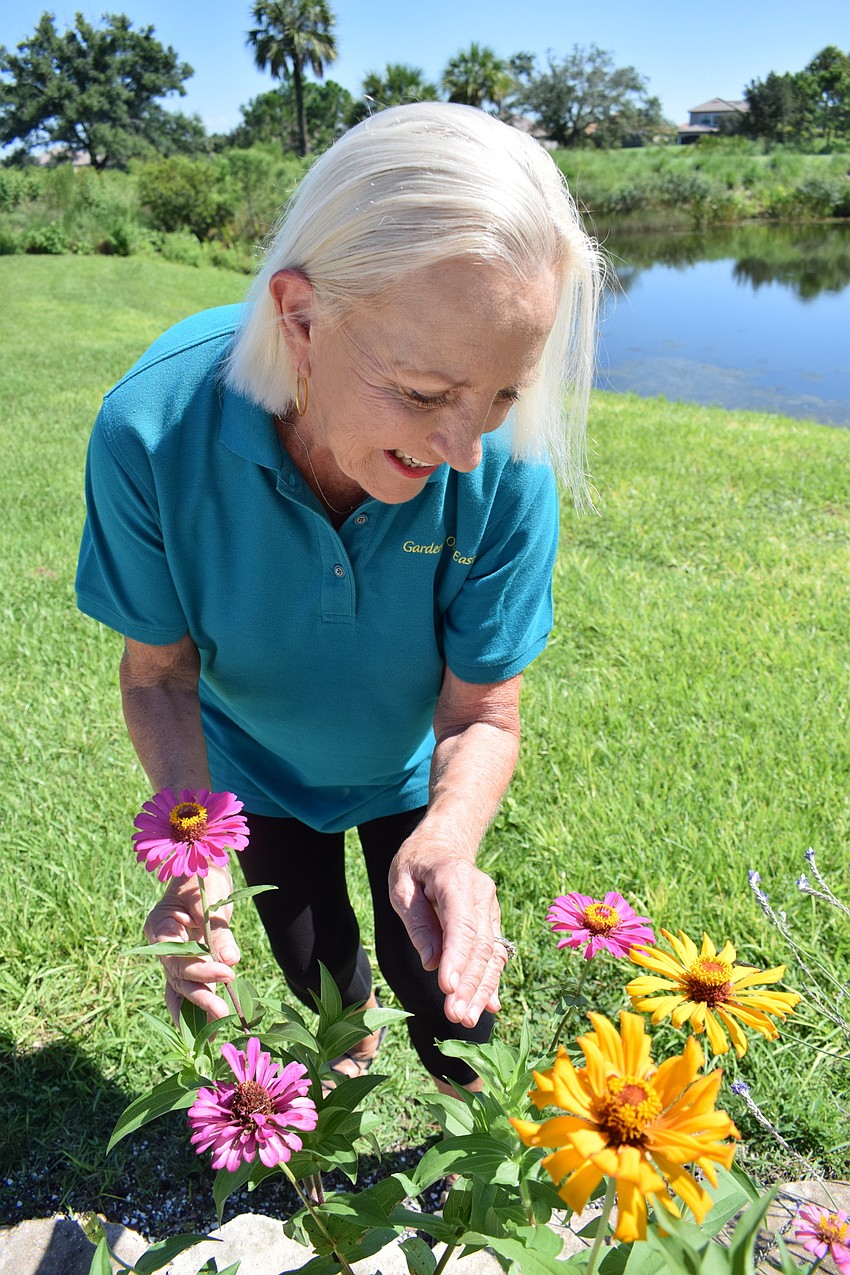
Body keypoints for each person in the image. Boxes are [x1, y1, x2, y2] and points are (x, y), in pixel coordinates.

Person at [76, 102, 603, 1097]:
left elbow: (481, 709)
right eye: (420, 392)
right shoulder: (148, 431)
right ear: (301, 320)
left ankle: (462, 1142)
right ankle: (348, 1083)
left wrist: (447, 840)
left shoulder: (503, 465)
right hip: (259, 777)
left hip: (411, 773)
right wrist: (191, 851)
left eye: (500, 394)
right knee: (323, 979)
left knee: (452, 1002)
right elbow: (159, 673)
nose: (462, 451)